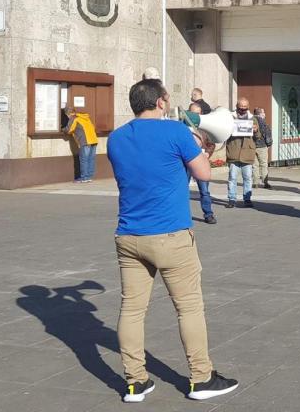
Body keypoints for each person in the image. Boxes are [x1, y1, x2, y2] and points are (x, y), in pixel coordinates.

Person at [106, 79, 238, 403]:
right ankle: (201, 378)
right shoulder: (176, 133)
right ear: (162, 102)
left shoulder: (116, 139)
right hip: (171, 235)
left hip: (129, 236)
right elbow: (204, 173)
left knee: (132, 309)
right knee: (189, 307)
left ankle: (135, 383)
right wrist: (204, 146)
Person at [225, 98, 257, 209]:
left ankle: (247, 199)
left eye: (245, 108)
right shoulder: (230, 117)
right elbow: (224, 133)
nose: (243, 110)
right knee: (232, 177)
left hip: (247, 153)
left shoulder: (253, 118)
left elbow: (258, 137)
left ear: (248, 107)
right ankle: (232, 199)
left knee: (247, 178)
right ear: (236, 106)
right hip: (233, 152)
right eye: (240, 108)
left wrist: (256, 130)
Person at [188, 103, 216, 224]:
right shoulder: (181, 128)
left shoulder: (204, 129)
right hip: (185, 163)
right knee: (182, 190)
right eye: (193, 113)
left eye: (198, 114)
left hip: (200, 162)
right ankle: (183, 215)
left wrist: (208, 153)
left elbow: (211, 144)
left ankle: (208, 214)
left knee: (204, 191)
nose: (196, 116)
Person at [65, 106, 99, 183]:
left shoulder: (74, 118)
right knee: (91, 159)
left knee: (84, 159)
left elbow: (69, 129)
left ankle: (84, 177)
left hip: (85, 141)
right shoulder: (84, 117)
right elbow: (93, 127)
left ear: (68, 114)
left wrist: (62, 128)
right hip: (93, 140)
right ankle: (89, 176)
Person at [253, 107, 272, 190]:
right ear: (260, 113)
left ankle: (255, 183)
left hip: (252, 146)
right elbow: (267, 134)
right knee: (263, 164)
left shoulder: (251, 120)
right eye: (263, 112)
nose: (264, 114)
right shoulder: (262, 121)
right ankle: (265, 182)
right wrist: (269, 144)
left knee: (254, 165)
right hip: (262, 146)